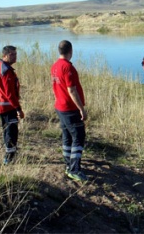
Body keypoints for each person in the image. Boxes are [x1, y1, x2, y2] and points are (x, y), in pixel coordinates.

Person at [51, 40, 90, 182]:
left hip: (60, 107)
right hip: (70, 108)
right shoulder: (68, 68)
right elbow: (72, 90)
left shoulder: (55, 66)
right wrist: (81, 109)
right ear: (70, 51)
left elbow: (54, 87)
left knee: (67, 135)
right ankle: (74, 169)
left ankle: (68, 164)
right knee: (78, 137)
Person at [0, 45, 24, 165]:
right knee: (11, 131)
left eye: (15, 54)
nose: (15, 57)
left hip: (0, 106)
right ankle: (9, 157)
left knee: (7, 130)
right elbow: (10, 94)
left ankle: (10, 152)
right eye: (12, 54)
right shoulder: (6, 71)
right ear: (4, 55)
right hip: (7, 106)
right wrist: (18, 109)